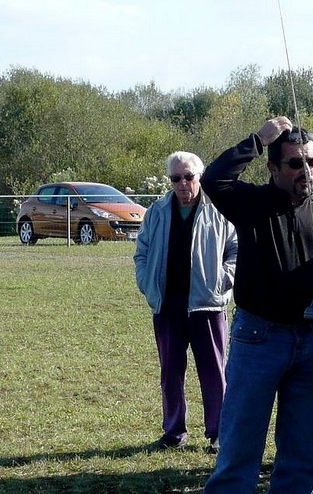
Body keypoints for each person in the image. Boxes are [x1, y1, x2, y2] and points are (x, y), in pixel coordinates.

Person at [200, 117, 313, 494]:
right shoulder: (252, 203)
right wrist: (258, 138)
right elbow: (213, 180)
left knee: (303, 454)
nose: (307, 171)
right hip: (259, 337)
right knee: (239, 447)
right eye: (296, 163)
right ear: (272, 168)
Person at [133, 151, 237, 454]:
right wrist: (147, 283)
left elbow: (235, 249)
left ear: (200, 177)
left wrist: (224, 279)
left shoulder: (220, 208)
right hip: (167, 307)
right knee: (170, 373)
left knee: (215, 373)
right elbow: (142, 251)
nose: (182, 184)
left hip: (208, 305)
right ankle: (173, 431)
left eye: (188, 176)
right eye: (175, 178)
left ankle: (218, 433)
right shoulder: (157, 211)